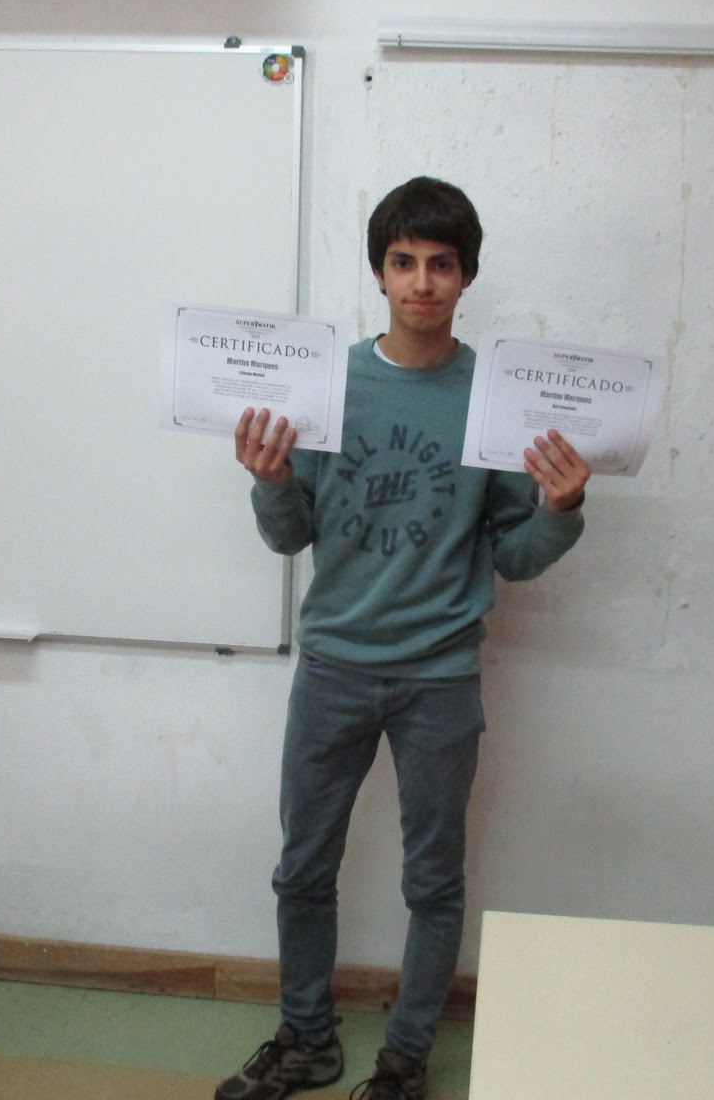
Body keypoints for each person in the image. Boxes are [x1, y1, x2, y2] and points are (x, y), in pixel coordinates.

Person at [217, 177, 591, 1100]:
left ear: (466, 277)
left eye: (442, 264)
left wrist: (561, 510)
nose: (423, 281)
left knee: (433, 883)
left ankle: (404, 1062)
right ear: (380, 274)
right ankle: (307, 1040)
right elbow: (290, 537)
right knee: (303, 871)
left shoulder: (493, 398)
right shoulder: (326, 385)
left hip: (439, 680)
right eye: (404, 262)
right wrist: (270, 482)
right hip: (333, 669)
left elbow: (514, 557)